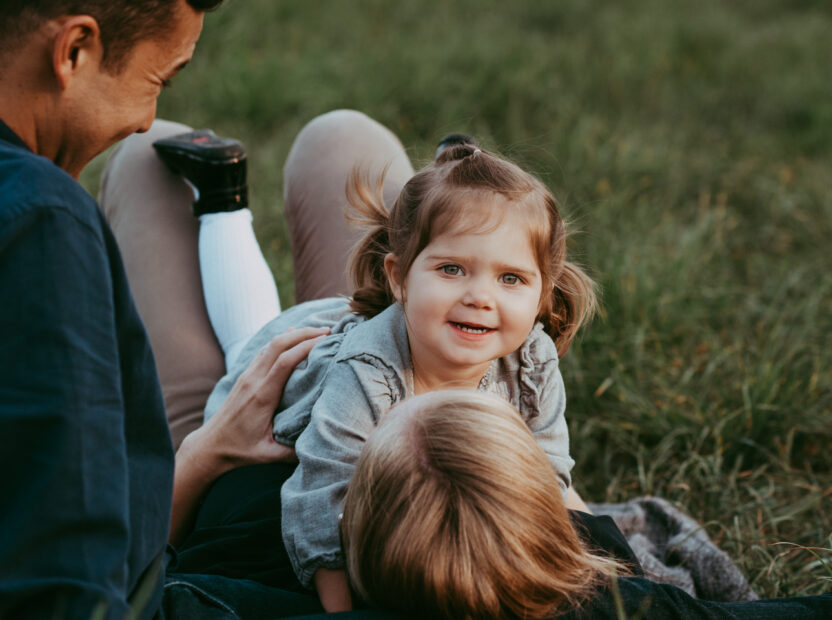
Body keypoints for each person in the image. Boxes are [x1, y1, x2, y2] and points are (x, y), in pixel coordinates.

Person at [165, 133, 597, 611]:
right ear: (398, 277)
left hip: (382, 325)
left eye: (510, 278)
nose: (481, 296)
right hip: (277, 386)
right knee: (241, 342)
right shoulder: (368, 372)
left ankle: (450, 185)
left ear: (542, 295)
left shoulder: (532, 362)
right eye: (452, 268)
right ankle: (223, 203)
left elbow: (548, 475)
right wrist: (343, 610)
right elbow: (318, 500)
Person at [0, 2, 328, 618]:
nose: (146, 118)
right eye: (156, 82)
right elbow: (68, 581)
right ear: (74, 50)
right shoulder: (43, 219)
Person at [342, 390, 832, 619]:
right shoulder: (617, 603)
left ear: (360, 532)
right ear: (549, 517)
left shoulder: (319, 588)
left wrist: (257, 460)